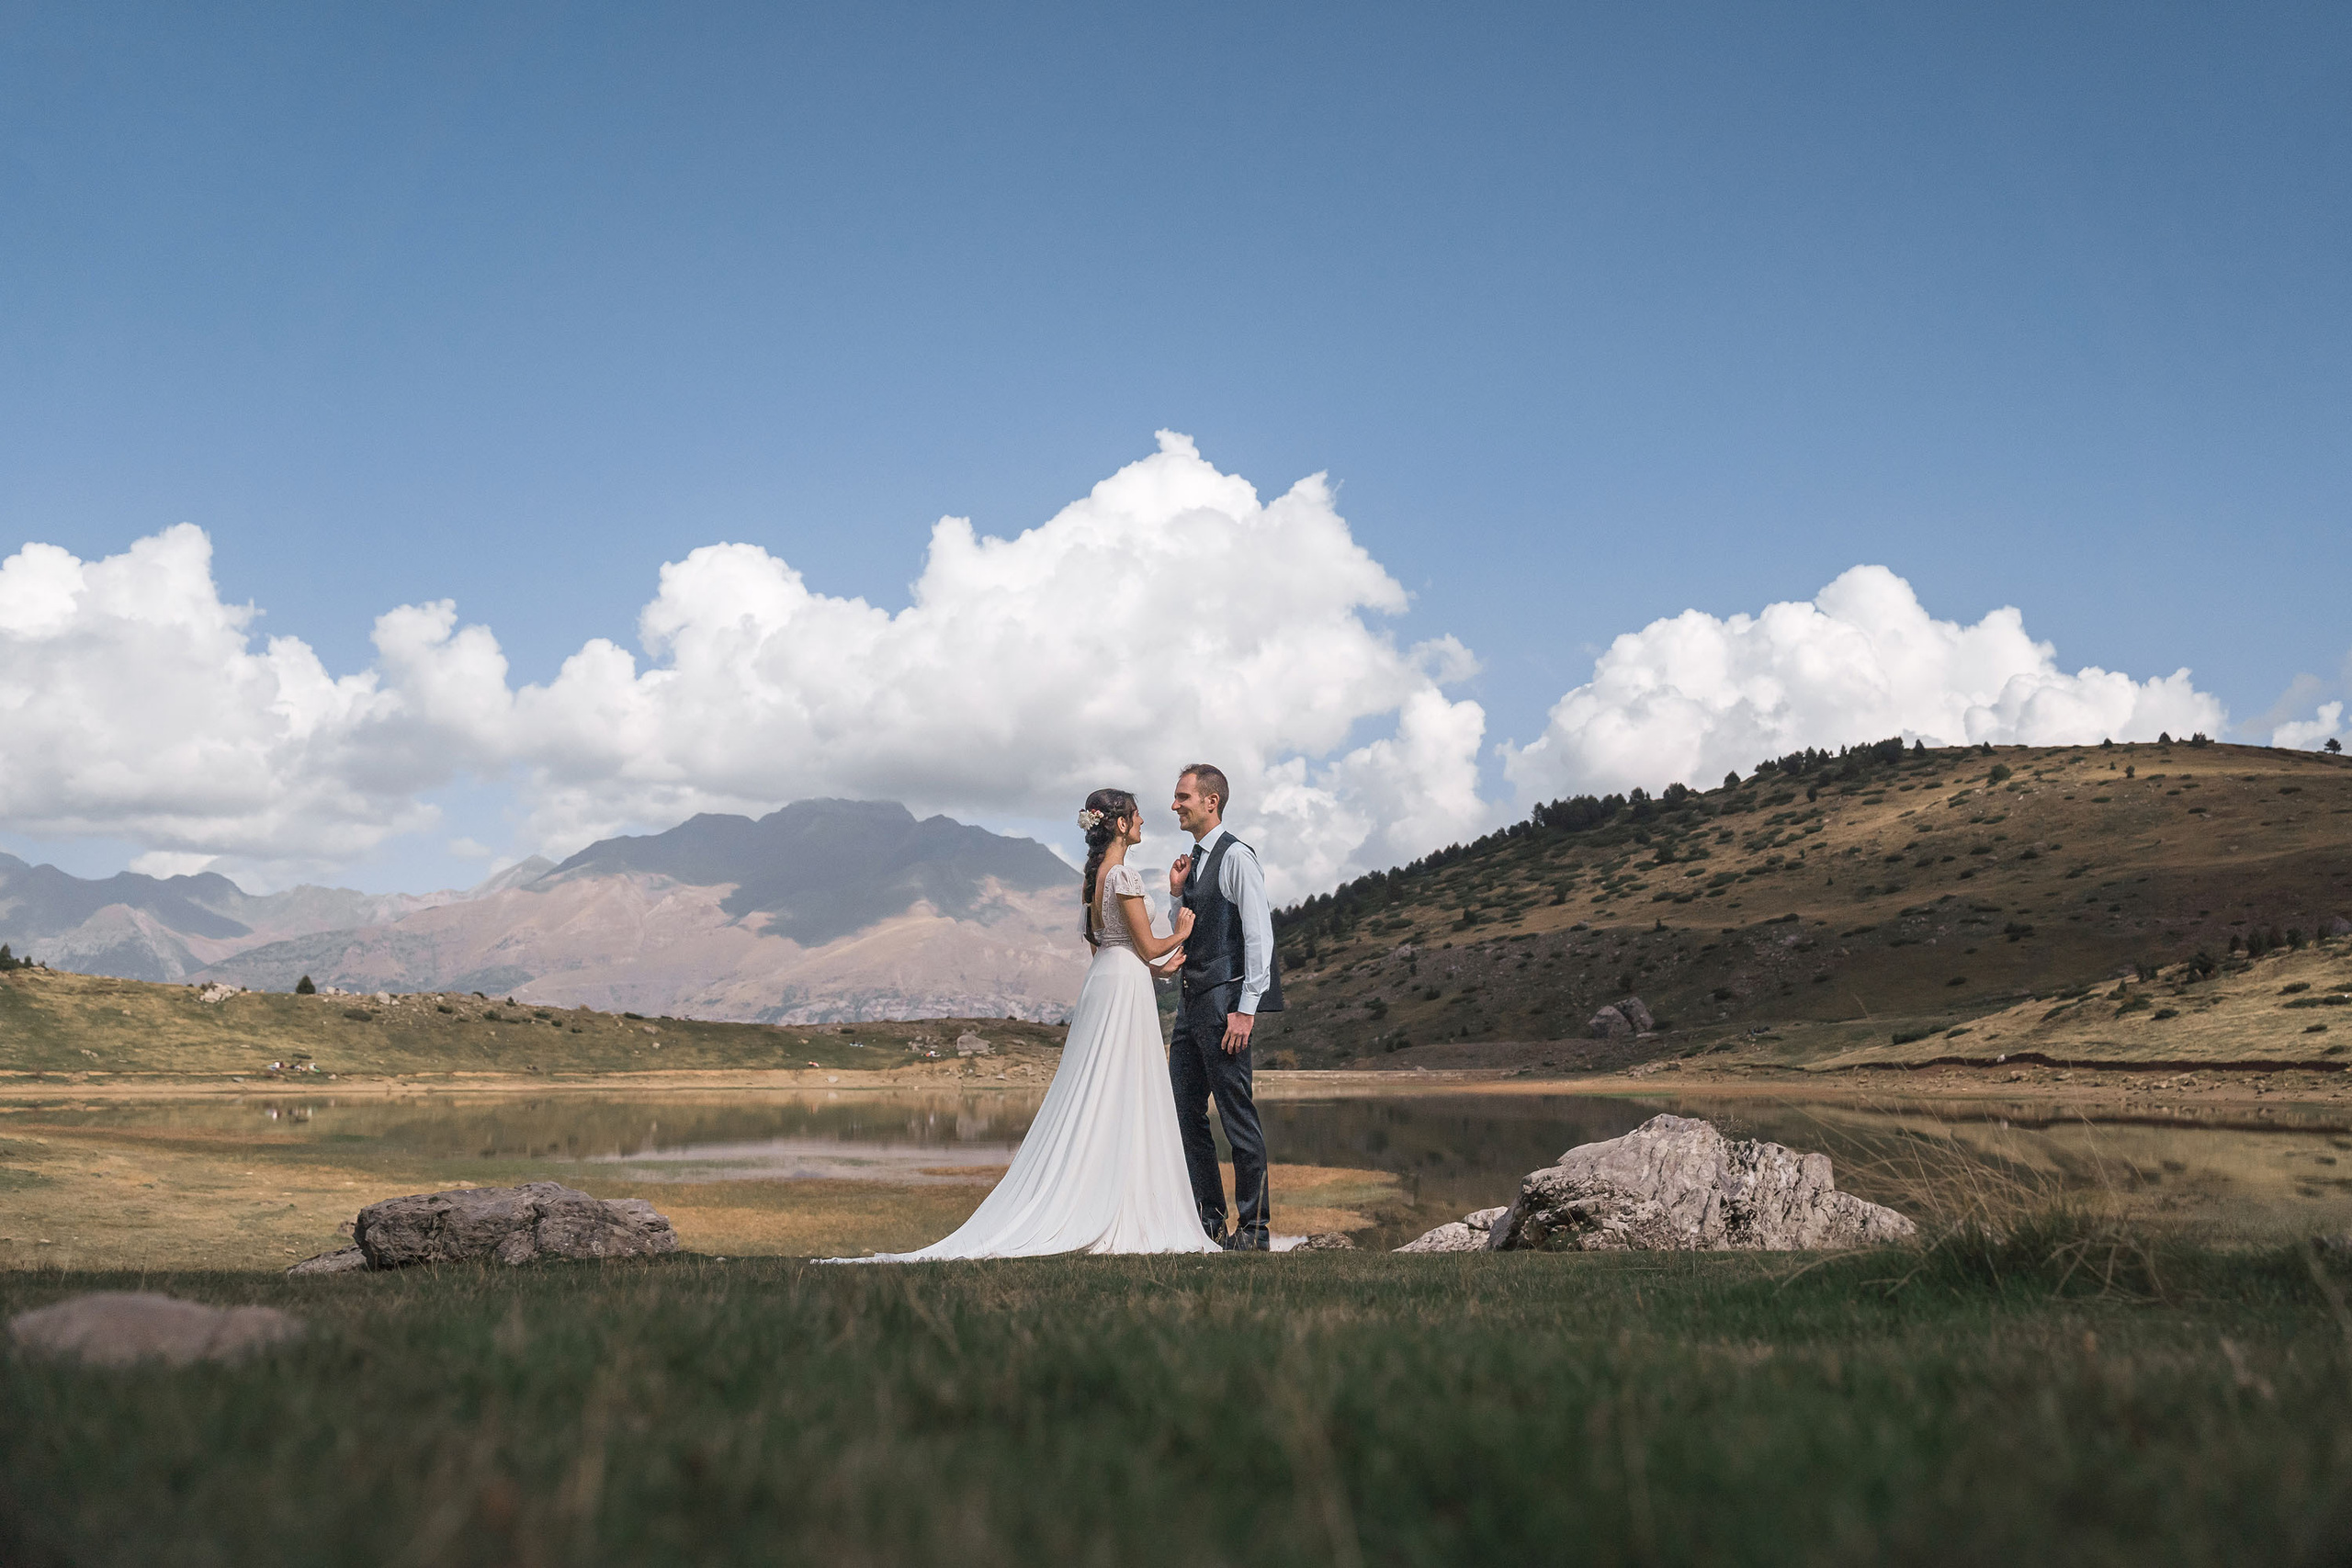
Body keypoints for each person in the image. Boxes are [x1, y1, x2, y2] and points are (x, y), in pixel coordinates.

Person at [828, 788, 1221, 1260]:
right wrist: (1180, 929)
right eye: (1136, 818)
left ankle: (1109, 1197)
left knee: (1105, 1089)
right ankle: (1123, 1206)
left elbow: (1109, 946)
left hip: (1108, 981)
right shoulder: (1123, 874)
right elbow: (1148, 943)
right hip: (1123, 988)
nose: (1143, 824)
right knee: (1125, 1087)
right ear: (1119, 824)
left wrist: (1155, 962)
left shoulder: (1095, 878)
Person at [1166, 762, 1282, 1250]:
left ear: (1210, 801)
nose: (1175, 805)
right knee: (1185, 1113)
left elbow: (1260, 937)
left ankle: (1254, 1232)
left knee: (1237, 1117)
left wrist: (1246, 1009)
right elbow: (1189, 931)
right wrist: (1176, 893)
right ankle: (1210, 1226)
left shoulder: (1237, 858)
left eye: (1183, 797)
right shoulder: (1193, 862)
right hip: (1189, 1005)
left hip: (1225, 1004)